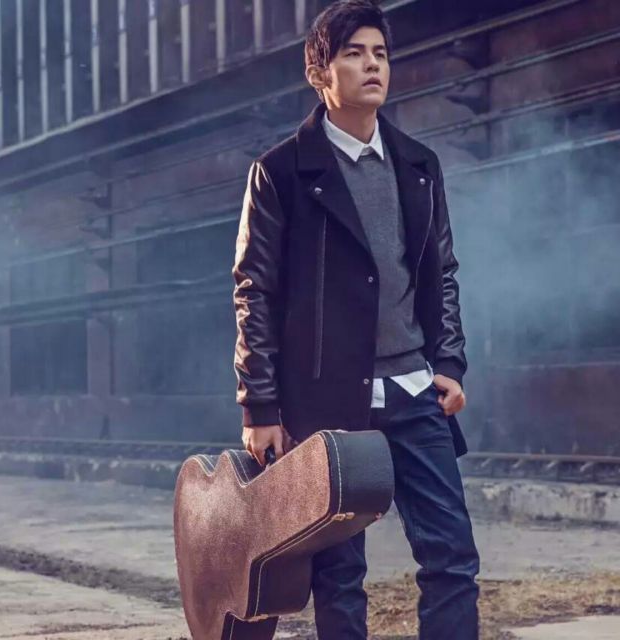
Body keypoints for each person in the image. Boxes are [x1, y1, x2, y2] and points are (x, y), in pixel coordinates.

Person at [231, 1, 480, 637]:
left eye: (380, 54)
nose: (373, 66)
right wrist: (260, 406)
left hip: (416, 391)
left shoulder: (418, 166)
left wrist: (449, 362)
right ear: (320, 73)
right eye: (354, 54)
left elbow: (442, 272)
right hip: (329, 401)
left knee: (452, 558)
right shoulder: (281, 173)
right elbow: (254, 292)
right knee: (339, 576)